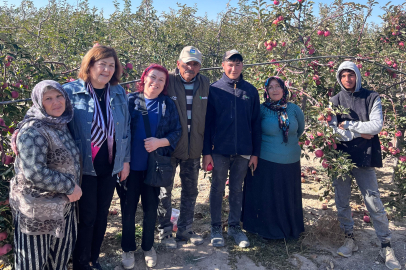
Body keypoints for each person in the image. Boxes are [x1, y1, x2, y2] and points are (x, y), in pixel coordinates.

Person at [63, 45, 131, 270]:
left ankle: (95, 258)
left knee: (102, 214)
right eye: (102, 64)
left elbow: (126, 129)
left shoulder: (118, 92)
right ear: (90, 65)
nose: (107, 70)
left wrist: (125, 161)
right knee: (87, 217)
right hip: (84, 167)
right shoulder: (70, 91)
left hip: (111, 164)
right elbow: (47, 114)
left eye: (112, 65)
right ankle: (81, 263)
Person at [329, 61, 401, 270]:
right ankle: (348, 237)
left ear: (358, 75)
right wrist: (362, 132)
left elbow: (377, 125)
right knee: (341, 200)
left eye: (351, 75)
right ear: (339, 78)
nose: (347, 79)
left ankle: (386, 245)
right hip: (340, 157)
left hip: (364, 156)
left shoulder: (371, 97)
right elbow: (332, 130)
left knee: (372, 200)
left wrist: (349, 125)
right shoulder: (335, 100)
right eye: (343, 76)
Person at [9, 80, 82, 270]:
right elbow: (34, 172)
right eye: (48, 98)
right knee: (32, 263)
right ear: (38, 103)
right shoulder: (33, 131)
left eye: (59, 96)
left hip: (62, 206)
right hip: (38, 210)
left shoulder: (60, 123)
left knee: (58, 260)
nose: (56, 102)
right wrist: (70, 186)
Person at [120, 64, 181, 268]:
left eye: (161, 80)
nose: (155, 83)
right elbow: (120, 132)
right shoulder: (130, 101)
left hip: (153, 167)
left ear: (165, 84)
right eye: (152, 77)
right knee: (128, 209)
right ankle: (128, 249)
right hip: (130, 166)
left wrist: (159, 142)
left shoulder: (167, 104)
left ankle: (148, 247)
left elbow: (176, 132)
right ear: (144, 78)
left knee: (151, 208)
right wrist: (123, 162)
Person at [202, 50, 261, 248]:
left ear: (242, 66)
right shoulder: (214, 90)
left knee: (237, 189)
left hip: (244, 151)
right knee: (217, 188)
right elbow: (207, 124)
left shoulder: (251, 91)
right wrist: (206, 152)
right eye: (230, 64)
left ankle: (235, 227)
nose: (234, 68)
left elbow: (255, 124)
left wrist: (255, 153)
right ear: (223, 65)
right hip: (219, 150)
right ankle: (216, 227)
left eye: (237, 64)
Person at [157, 46, 210, 248]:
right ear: (178, 63)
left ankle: (185, 229)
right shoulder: (167, 81)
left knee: (190, 190)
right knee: (165, 191)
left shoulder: (205, 83)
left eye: (195, 64)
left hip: (194, 148)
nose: (191, 67)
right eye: (187, 63)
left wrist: (207, 149)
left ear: (199, 67)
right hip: (169, 147)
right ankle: (165, 231)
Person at [241, 76, 305, 240]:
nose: (275, 90)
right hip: (266, 160)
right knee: (269, 196)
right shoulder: (261, 110)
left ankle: (289, 229)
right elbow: (253, 131)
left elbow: (299, 131)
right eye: (271, 87)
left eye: (278, 86)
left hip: (291, 160)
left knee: (287, 196)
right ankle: (268, 230)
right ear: (266, 90)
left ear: (284, 89)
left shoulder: (294, 109)